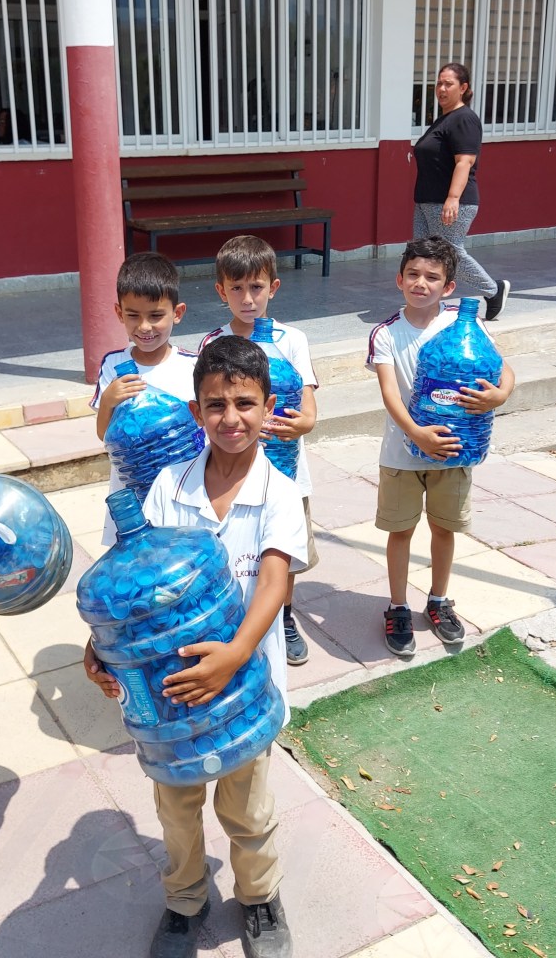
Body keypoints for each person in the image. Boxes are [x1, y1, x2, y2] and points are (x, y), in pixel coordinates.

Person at [85, 335, 307, 958]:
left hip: (243, 690)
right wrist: (98, 645)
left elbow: (273, 578)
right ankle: (185, 900)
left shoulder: (279, 491)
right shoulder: (167, 489)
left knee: (249, 812)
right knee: (177, 813)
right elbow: (132, 581)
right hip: (172, 698)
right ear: (194, 412)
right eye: (215, 405)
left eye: (244, 403)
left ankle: (260, 899)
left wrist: (235, 654)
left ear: (267, 408)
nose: (230, 418)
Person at [366, 237, 515, 657]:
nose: (421, 283)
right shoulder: (385, 334)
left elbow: (505, 370)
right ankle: (397, 606)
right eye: (413, 274)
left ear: (448, 287)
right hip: (401, 452)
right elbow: (390, 393)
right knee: (401, 530)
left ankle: (438, 599)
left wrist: (499, 396)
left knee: (444, 527)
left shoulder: (465, 325)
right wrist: (416, 433)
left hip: (455, 450)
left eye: (432, 277)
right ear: (399, 279)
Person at [199, 235, 318, 667]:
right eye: (236, 288)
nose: (247, 299)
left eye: (256, 287)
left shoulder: (292, 340)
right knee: (237, 549)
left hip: (285, 472)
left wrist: (294, 424)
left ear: (274, 287)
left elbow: (308, 413)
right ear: (221, 290)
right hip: (234, 472)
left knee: (281, 555)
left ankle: (284, 617)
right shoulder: (213, 343)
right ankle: (234, 617)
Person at [91, 251, 197, 543]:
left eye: (156, 316)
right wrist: (110, 400)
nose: (144, 327)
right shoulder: (113, 365)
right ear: (118, 313)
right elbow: (105, 434)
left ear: (177, 312)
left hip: (183, 486)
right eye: (133, 315)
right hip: (133, 491)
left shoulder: (193, 365)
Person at [413, 62, 510, 322]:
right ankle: (426, 303)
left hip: (451, 201)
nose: (441, 89)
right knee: (422, 253)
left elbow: (464, 161)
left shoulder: (464, 118)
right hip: (426, 200)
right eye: (439, 83)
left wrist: (452, 198)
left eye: (449, 84)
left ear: (463, 87)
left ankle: (493, 290)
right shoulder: (444, 119)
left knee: (450, 252)